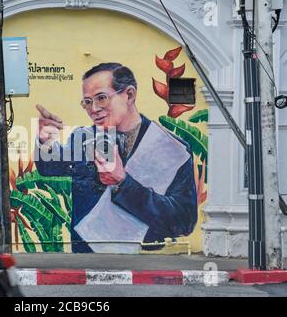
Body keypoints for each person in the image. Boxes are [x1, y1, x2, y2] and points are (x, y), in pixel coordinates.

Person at [35, 62, 198, 253]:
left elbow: (183, 221)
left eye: (101, 98)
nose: (93, 109)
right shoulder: (83, 137)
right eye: (87, 102)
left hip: (143, 262)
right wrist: (44, 140)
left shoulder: (173, 149)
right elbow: (49, 168)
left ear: (129, 95)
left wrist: (123, 184)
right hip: (87, 259)